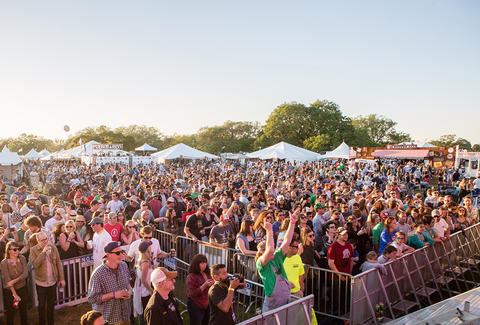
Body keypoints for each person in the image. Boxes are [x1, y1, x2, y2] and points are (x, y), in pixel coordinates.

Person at [255, 208, 299, 313]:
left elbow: (287, 241)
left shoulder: (278, 256)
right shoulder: (261, 263)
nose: (272, 249)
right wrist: (269, 231)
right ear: (262, 253)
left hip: (285, 301)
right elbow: (270, 250)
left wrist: (292, 222)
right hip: (272, 306)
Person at [88, 241, 132, 325]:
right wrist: (114, 295)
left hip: (125, 316)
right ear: (108, 255)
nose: (121, 255)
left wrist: (129, 292)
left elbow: (128, 285)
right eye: (118, 253)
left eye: (122, 252)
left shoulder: (124, 266)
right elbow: (92, 298)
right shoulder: (98, 274)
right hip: (109, 320)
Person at [30, 231, 65, 325]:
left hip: (52, 281)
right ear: (38, 241)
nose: (45, 241)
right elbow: (35, 264)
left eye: (46, 239)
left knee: (51, 305)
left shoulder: (53, 247)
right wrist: (43, 252)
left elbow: (58, 262)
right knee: (41, 305)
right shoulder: (33, 250)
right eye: (42, 240)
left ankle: (50, 322)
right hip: (41, 282)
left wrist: (62, 278)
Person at [1, 241, 29, 325]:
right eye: (14, 250)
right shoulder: (4, 263)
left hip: (22, 288)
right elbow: (7, 280)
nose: (17, 251)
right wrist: (15, 295)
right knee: (10, 313)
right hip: (10, 292)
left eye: (18, 249)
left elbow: (25, 273)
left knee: (23, 311)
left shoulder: (22, 258)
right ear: (9, 251)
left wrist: (14, 280)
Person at [186, 254, 214, 325]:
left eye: (205, 262)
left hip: (207, 304)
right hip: (195, 304)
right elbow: (192, 293)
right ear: (196, 264)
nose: (204, 265)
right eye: (202, 263)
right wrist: (204, 286)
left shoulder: (207, 274)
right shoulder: (191, 276)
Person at [133, 241, 154, 323]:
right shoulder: (145, 263)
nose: (151, 248)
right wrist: (151, 291)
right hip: (145, 292)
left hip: (141, 290)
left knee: (142, 313)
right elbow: (144, 280)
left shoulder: (140, 260)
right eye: (149, 247)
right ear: (146, 250)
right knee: (145, 314)